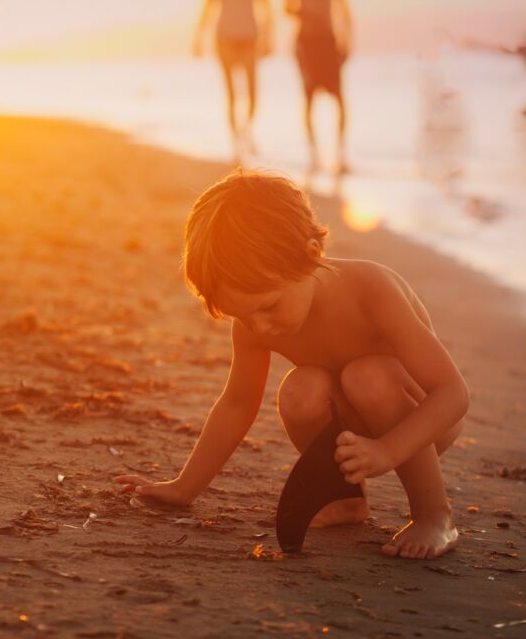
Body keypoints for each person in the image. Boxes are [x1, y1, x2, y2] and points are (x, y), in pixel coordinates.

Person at [116, 171, 469, 560]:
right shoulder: (255, 321)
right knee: (300, 389)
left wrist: (387, 450)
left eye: (268, 306)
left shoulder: (371, 290)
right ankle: (346, 496)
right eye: (244, 317)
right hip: (356, 432)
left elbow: (452, 394)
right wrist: (185, 487)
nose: (260, 327)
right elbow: (237, 405)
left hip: (422, 421)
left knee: (367, 376)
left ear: (312, 255)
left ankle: (435, 513)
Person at [193, 0, 273, 154]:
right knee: (230, 93)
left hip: (249, 37)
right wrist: (198, 37)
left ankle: (245, 128)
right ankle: (235, 141)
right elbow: (208, 6)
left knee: (252, 91)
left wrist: (269, 37)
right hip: (225, 37)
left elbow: (266, 7)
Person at [285, 0, 352, 172]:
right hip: (306, 40)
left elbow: (343, 4)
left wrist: (348, 37)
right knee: (308, 98)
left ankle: (340, 154)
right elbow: (286, 5)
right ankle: (313, 155)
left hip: (328, 37)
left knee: (339, 98)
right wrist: (305, 9)